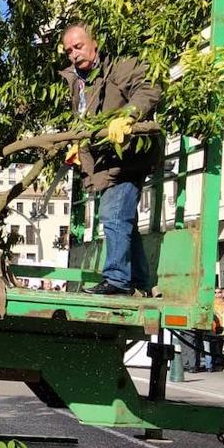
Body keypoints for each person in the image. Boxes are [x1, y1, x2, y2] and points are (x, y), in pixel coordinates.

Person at [60, 22, 161, 296]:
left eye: (78, 46)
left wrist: (128, 114)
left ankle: (117, 280)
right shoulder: (78, 82)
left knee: (114, 215)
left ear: (95, 44)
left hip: (127, 158)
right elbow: (85, 119)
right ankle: (139, 279)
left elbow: (149, 89)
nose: (74, 54)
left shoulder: (119, 68)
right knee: (123, 220)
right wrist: (78, 145)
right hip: (106, 162)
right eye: (69, 50)